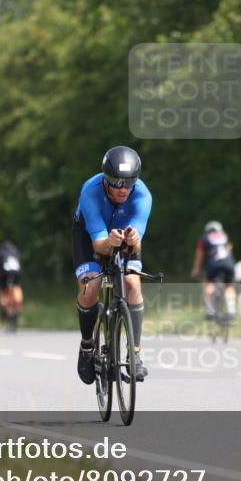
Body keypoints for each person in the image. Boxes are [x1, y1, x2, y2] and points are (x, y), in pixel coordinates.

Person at [72, 145, 152, 384]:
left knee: (132, 283)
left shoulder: (143, 195)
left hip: (123, 236)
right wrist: (109, 241)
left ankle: (135, 353)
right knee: (91, 287)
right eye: (117, 182)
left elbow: (136, 245)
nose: (123, 189)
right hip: (90, 237)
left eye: (129, 182)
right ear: (106, 179)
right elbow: (99, 246)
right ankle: (87, 346)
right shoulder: (90, 191)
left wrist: (133, 240)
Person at [190, 221, 237, 322]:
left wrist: (196, 269)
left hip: (213, 264)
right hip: (228, 263)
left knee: (209, 283)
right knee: (229, 286)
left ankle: (209, 310)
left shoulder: (204, 238)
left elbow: (200, 254)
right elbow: (230, 251)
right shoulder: (225, 236)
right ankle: (231, 311)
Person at [0, 241, 23, 323]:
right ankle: (18, 304)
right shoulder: (16, 251)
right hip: (16, 272)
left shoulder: (0, 253)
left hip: (4, 273)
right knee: (17, 287)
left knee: (2, 291)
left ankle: (4, 307)